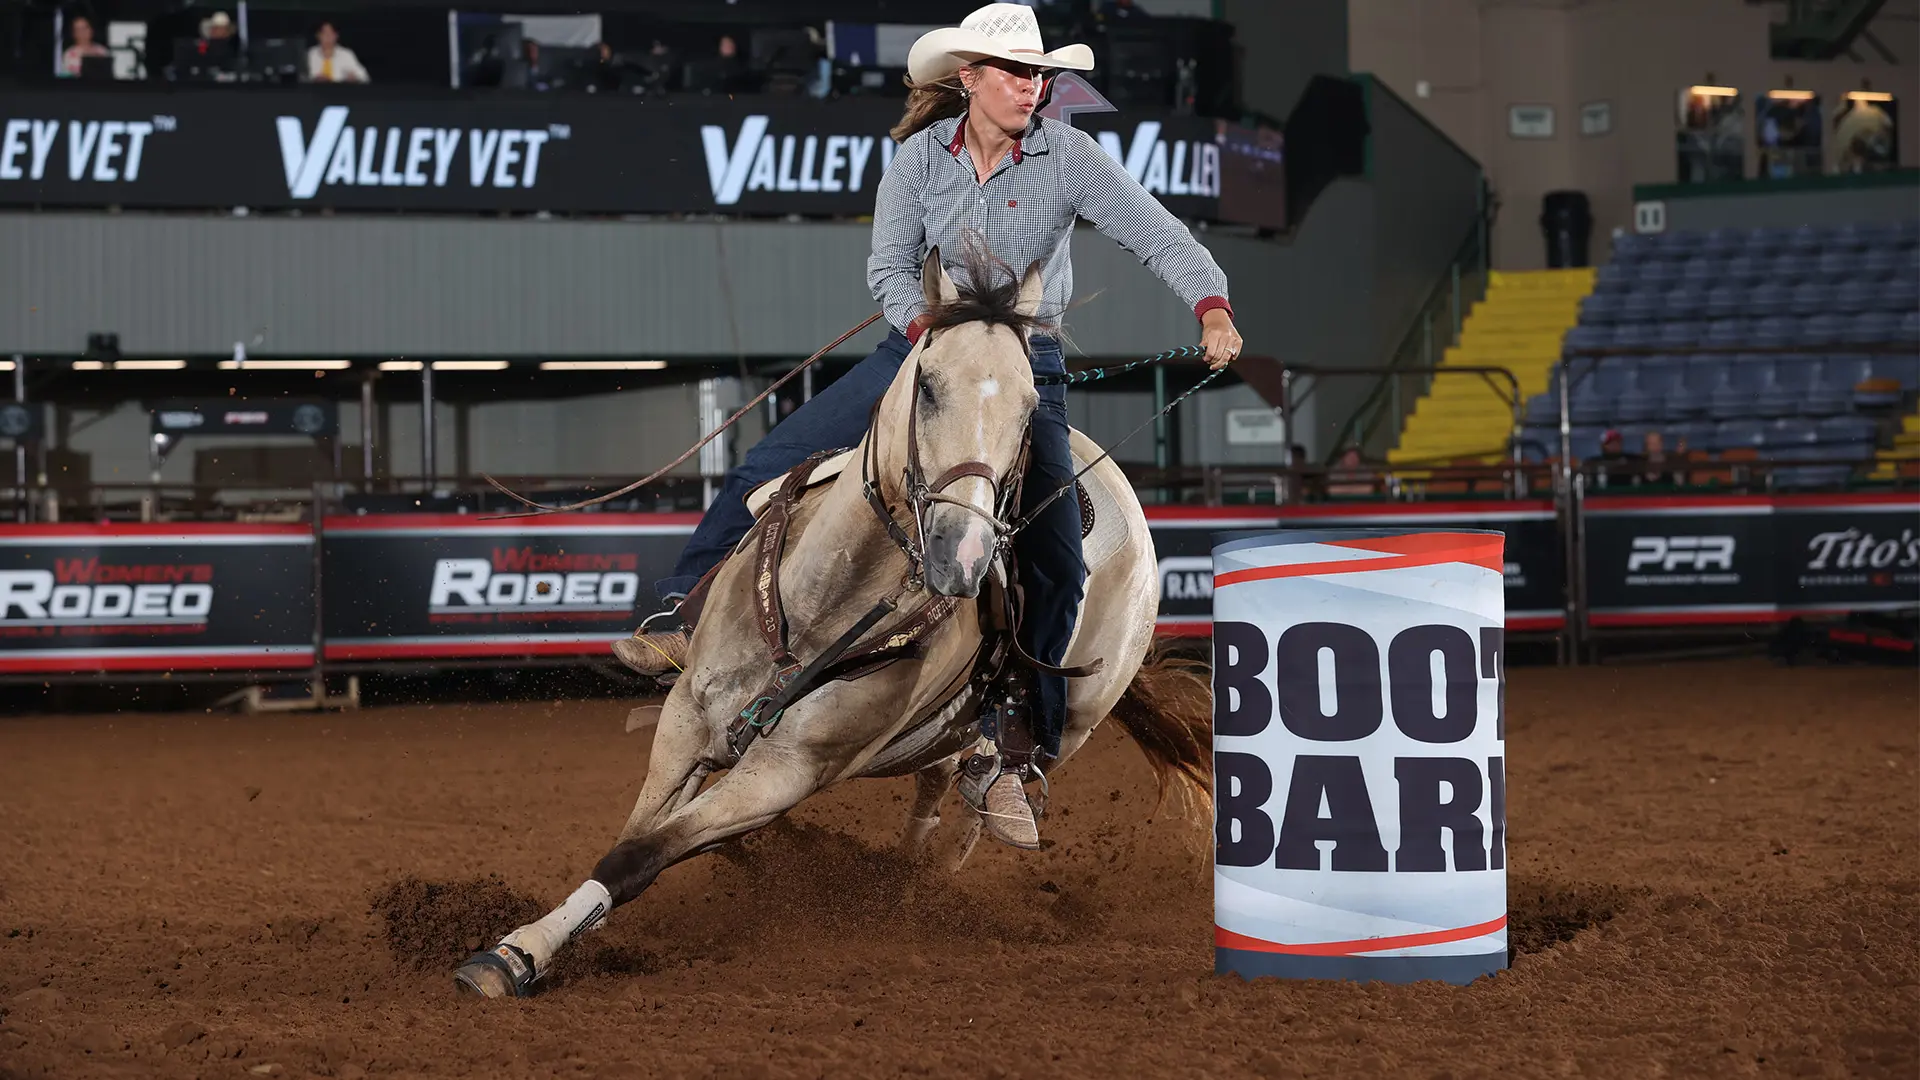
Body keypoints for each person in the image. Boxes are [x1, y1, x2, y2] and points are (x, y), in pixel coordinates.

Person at [611, 3, 1242, 850]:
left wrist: (1211, 305)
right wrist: (928, 336)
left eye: (1040, 73)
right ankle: (683, 620)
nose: (1033, 86)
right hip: (918, 353)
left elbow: (1161, 236)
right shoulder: (917, 160)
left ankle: (1016, 746)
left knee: (1057, 558)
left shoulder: (1070, 158)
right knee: (770, 462)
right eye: (1016, 72)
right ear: (969, 78)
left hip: (1024, 368)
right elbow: (888, 266)